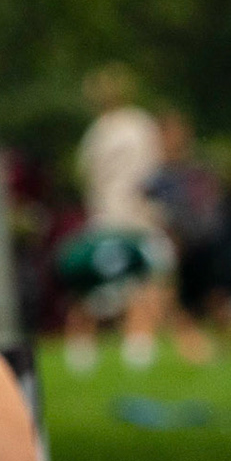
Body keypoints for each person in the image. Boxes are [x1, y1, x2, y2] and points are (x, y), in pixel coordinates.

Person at [71, 64, 166, 369]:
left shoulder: (96, 133)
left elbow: (86, 174)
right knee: (142, 278)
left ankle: (83, 348)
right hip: (137, 216)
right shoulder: (140, 124)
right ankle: (138, 344)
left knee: (98, 282)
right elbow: (154, 172)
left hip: (106, 215)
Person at [143, 110, 231, 363]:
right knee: (177, 301)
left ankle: (226, 351)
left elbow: (215, 208)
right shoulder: (158, 177)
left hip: (206, 245)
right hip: (178, 248)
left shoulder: (197, 170)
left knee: (216, 299)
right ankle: (195, 349)